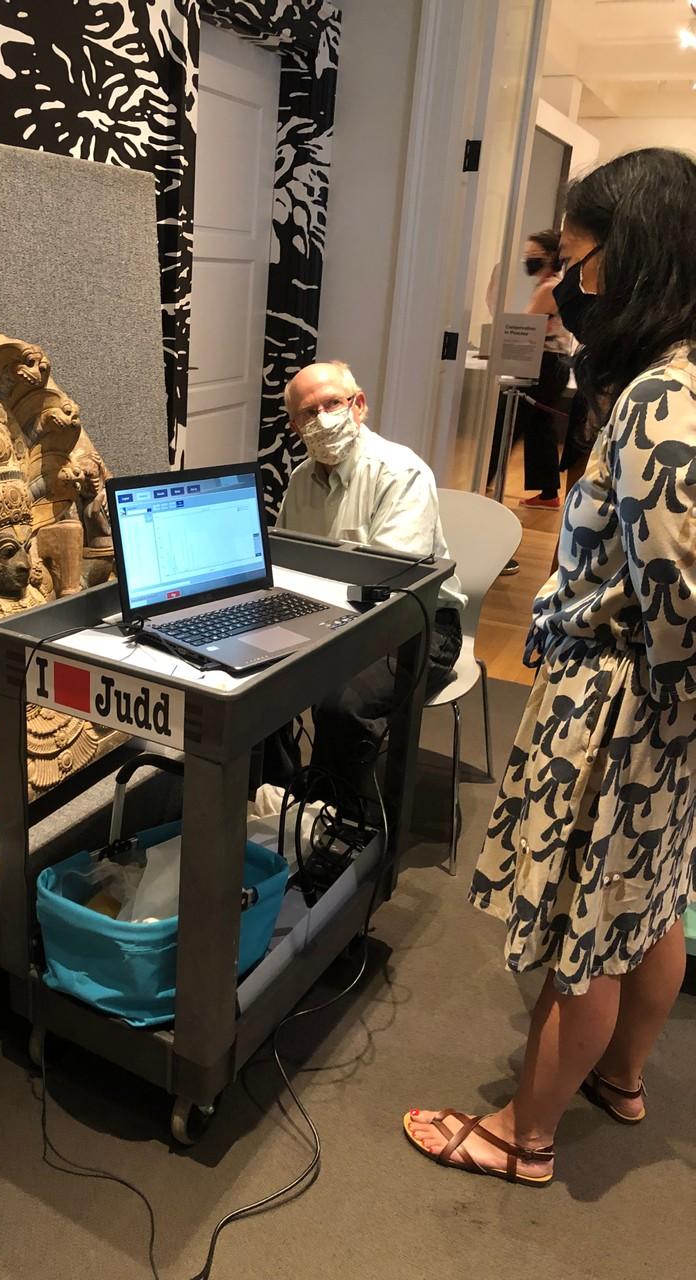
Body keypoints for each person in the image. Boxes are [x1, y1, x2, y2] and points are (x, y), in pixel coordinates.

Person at [404, 148, 696, 1186]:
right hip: (661, 720)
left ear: (636, 256)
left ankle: (520, 1136)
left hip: (622, 709)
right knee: (648, 904)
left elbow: (679, 603)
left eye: (576, 260)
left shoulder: (662, 398)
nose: (563, 284)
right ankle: (619, 1079)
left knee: (585, 936)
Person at [270, 360, 467, 797]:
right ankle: (275, 802)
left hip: (416, 624)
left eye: (333, 403)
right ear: (295, 425)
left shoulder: (401, 472)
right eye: (308, 412)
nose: (322, 419)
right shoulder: (301, 481)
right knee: (251, 680)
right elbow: (285, 564)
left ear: (359, 405)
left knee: (343, 704)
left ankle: (333, 826)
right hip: (329, 618)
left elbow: (388, 585)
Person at [487, 229, 572, 509]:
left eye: (533, 255)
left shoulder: (549, 288)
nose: (528, 260)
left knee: (507, 419)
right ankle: (548, 493)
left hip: (544, 364)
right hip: (550, 364)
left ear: (549, 256)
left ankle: (485, 479)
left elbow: (524, 324)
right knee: (539, 427)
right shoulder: (549, 286)